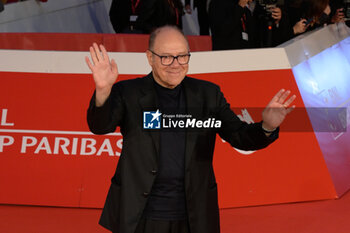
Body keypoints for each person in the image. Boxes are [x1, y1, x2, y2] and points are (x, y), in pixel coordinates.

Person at [85, 25, 296, 233]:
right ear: (150, 58)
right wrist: (103, 91)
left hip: (193, 216)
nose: (175, 64)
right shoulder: (128, 93)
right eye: (166, 57)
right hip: (140, 215)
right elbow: (100, 126)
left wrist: (267, 126)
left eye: (182, 56)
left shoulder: (208, 95)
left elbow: (239, 136)